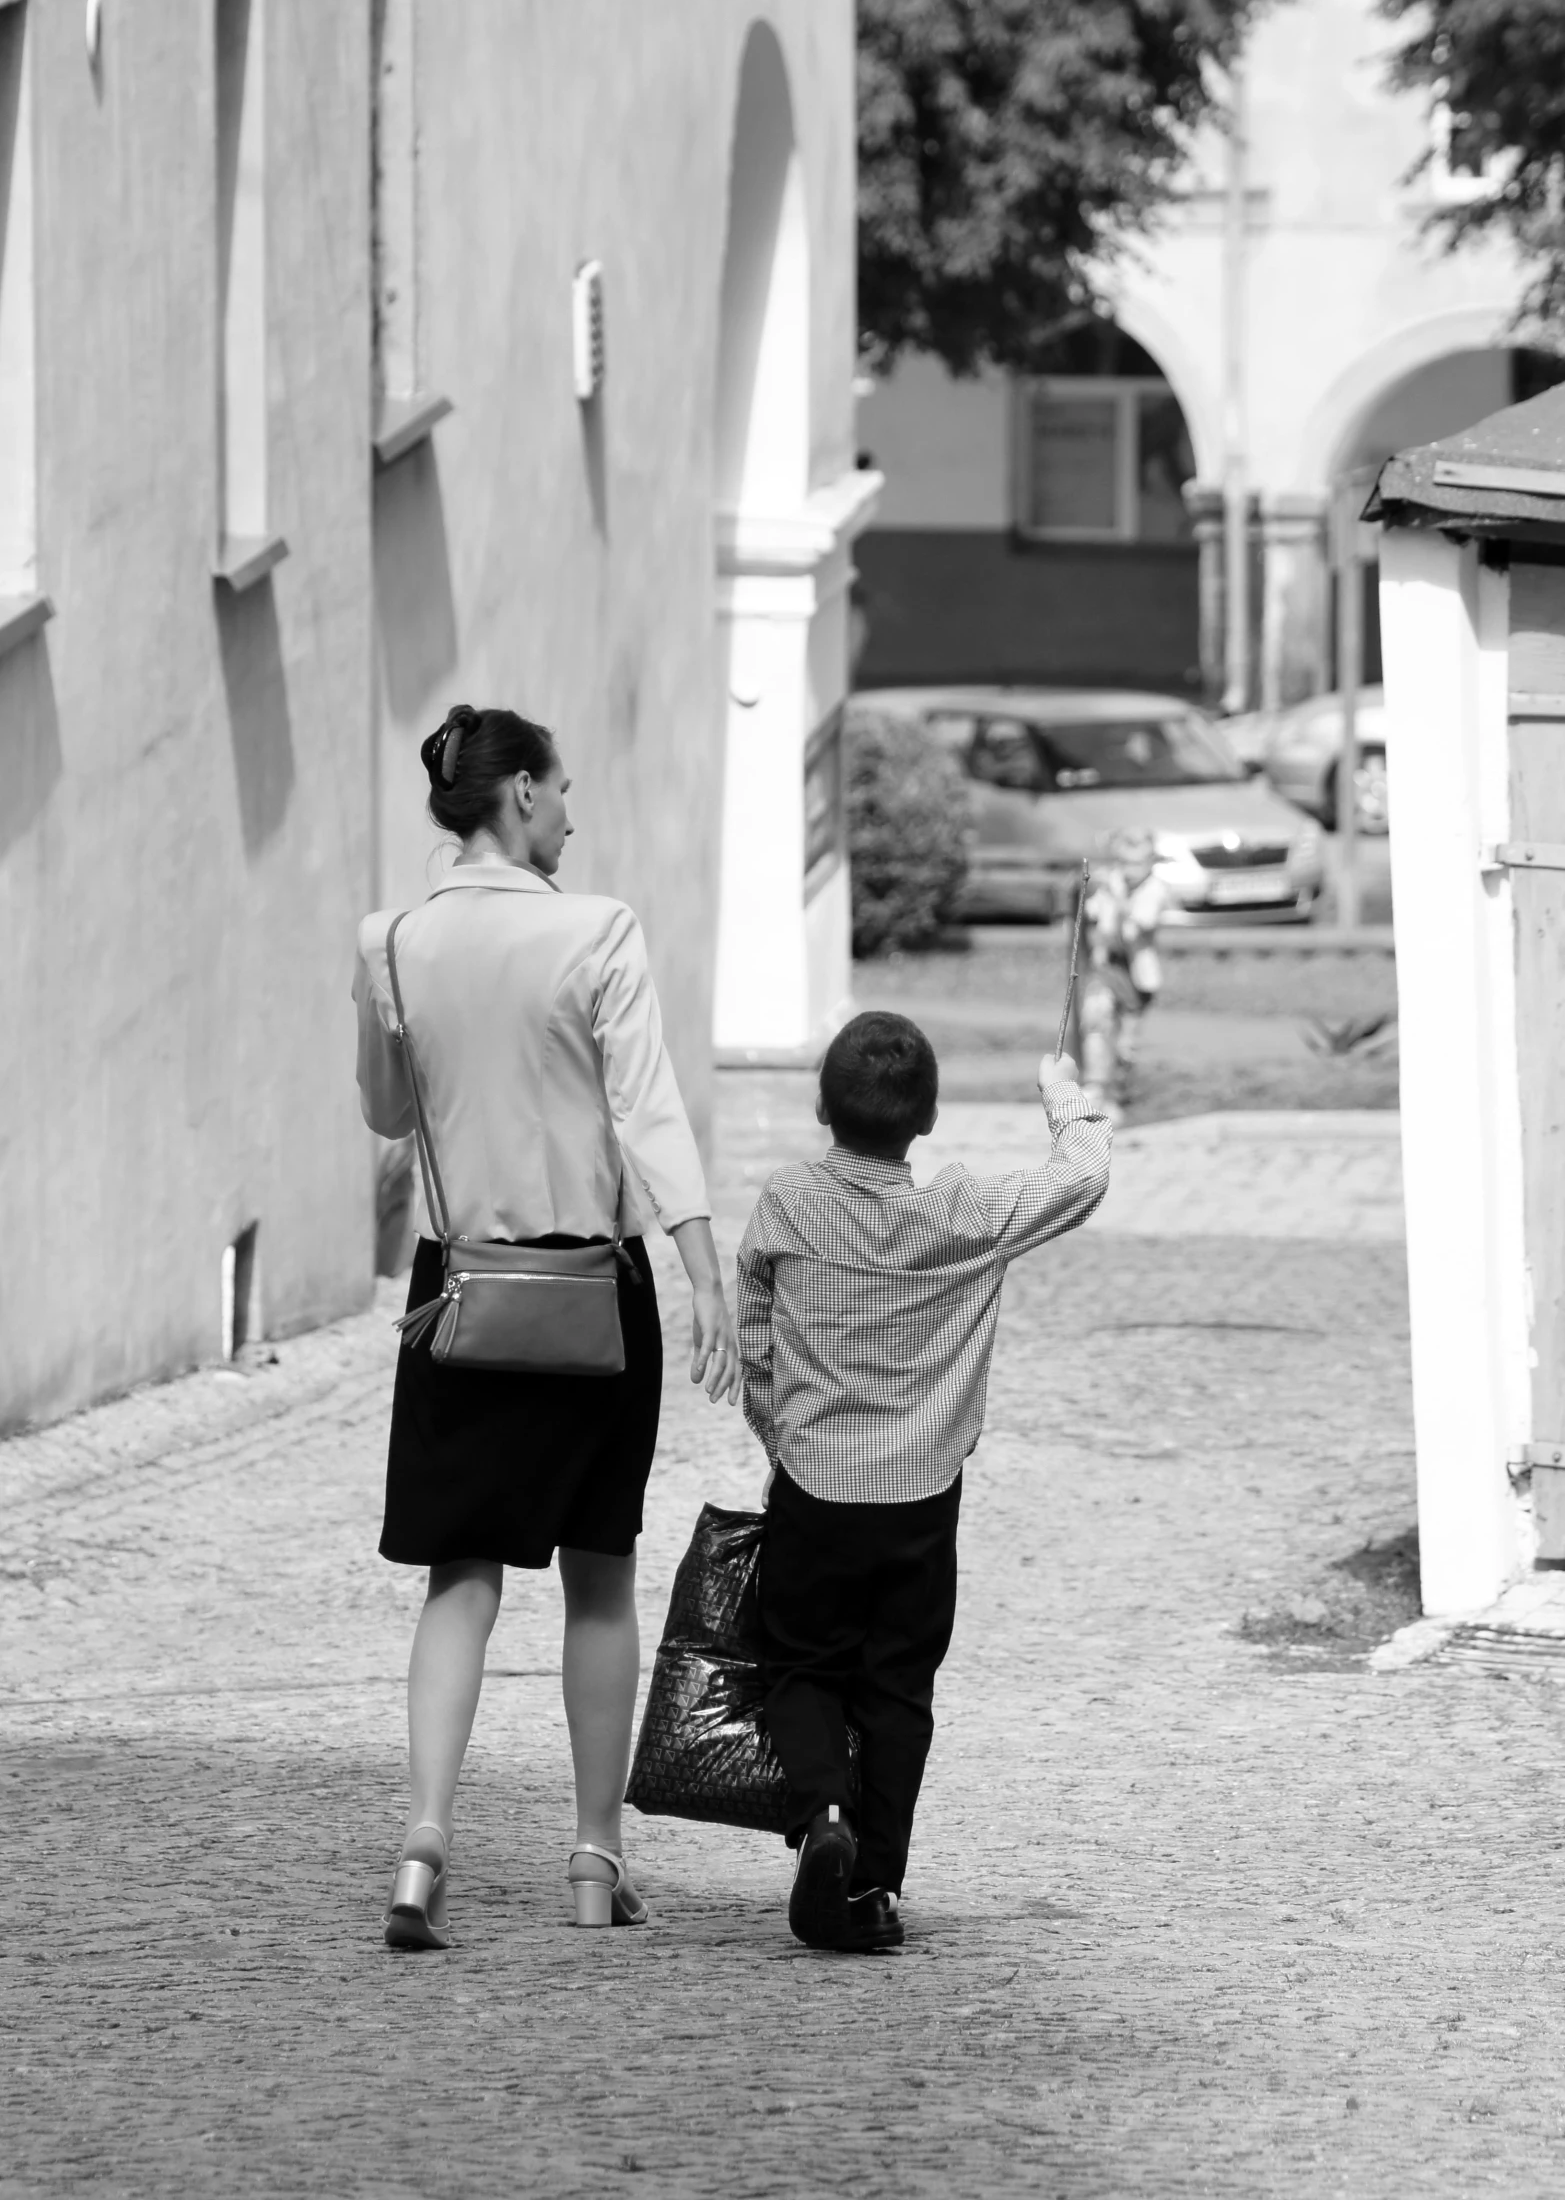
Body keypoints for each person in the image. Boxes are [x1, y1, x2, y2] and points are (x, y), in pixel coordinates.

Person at [353, 702, 740, 1949]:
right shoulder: (599, 931)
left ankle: (422, 1840)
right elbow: (646, 1113)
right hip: (590, 1290)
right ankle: (592, 1860)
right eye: (562, 789)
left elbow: (381, 1109)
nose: (573, 812)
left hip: (458, 1289)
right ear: (517, 794)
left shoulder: (391, 939)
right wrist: (702, 1269)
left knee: (457, 1578)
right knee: (597, 1579)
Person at [734, 1011, 1111, 1952]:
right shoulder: (962, 1216)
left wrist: (778, 1434)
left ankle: (822, 1815)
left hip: (813, 1488)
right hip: (919, 1498)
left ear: (821, 1104)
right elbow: (1084, 1175)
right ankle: (871, 1887)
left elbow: (754, 1335)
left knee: (797, 1667)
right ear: (929, 1117)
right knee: (897, 1689)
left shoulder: (786, 1204)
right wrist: (1061, 1099)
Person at [1078, 828, 1171, 1124]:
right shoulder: (1112, 883)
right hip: (1108, 967)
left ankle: (1117, 1095)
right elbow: (1091, 912)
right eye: (1125, 863)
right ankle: (1095, 1087)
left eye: (1138, 863)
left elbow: (1139, 924)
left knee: (1125, 1044)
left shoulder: (1155, 890)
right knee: (1096, 1018)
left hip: (1137, 977)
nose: (1130, 871)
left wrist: (1116, 898)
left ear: (1150, 863)